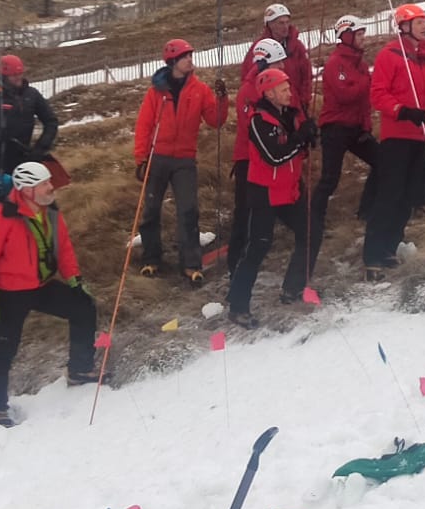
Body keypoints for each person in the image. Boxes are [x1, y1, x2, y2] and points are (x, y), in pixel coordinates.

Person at [0, 161, 97, 423]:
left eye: (49, 182)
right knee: (4, 348)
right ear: (26, 190)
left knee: (84, 307)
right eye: (44, 183)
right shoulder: (1, 218)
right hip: (10, 292)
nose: (51, 187)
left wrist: (74, 280)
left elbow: (64, 247)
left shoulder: (51, 212)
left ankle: (80, 370)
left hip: (41, 285)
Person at [134, 38, 229, 289]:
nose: (190, 59)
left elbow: (215, 121)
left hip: (185, 159)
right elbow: (144, 126)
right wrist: (141, 159)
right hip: (158, 157)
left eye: (190, 55)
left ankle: (191, 264)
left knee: (188, 210)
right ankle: (151, 258)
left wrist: (222, 100)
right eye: (185, 56)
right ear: (173, 61)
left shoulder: (200, 90)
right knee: (151, 210)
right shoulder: (156, 91)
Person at [228, 68, 315, 324]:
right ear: (270, 92)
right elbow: (275, 156)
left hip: (289, 190)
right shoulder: (258, 121)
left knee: (311, 230)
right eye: (284, 88)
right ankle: (238, 306)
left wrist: (308, 137)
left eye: (289, 88)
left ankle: (294, 287)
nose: (290, 93)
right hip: (264, 193)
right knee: (257, 247)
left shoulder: (290, 115)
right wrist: (301, 139)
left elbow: (295, 151)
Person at [362, 3, 425, 279]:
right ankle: (372, 253)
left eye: (424, 21)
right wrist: (402, 110)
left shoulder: (424, 57)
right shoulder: (389, 55)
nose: (424, 26)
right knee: (389, 197)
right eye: (419, 22)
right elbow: (378, 95)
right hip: (397, 137)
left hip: (422, 135)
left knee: (408, 198)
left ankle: (390, 246)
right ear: (404, 26)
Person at [309, 15, 379, 272]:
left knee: (382, 162)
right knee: (330, 178)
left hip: (356, 127)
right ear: (347, 36)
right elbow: (346, 94)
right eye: (359, 34)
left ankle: (366, 210)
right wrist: (366, 80)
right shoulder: (336, 63)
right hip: (335, 127)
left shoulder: (359, 63)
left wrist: (366, 125)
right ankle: (313, 221)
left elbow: (361, 98)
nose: (363, 38)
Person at [227, 37, 291, 276]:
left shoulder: (270, 86)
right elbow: (254, 128)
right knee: (244, 214)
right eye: (279, 63)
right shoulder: (249, 90)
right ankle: (236, 266)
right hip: (248, 160)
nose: (283, 68)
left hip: (270, 159)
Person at [0, 53, 58, 178]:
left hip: (24, 159)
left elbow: (51, 122)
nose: (18, 78)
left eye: (20, 73)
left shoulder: (32, 94)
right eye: (13, 75)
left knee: (28, 196)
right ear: (3, 76)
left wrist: (40, 148)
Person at [243, 2, 314, 102]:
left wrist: (304, 100)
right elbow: (249, 78)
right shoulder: (259, 49)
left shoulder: (297, 46)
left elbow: (306, 75)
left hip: (295, 104)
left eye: (287, 22)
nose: (285, 26)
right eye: (281, 23)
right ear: (270, 24)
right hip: (270, 104)